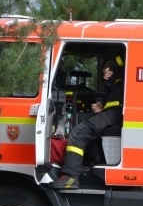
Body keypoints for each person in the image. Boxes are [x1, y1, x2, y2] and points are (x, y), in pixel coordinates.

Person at [51, 55, 124, 189]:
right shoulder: (115, 82)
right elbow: (114, 99)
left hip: (116, 114)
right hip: (112, 112)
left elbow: (118, 103)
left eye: (107, 70)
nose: (105, 73)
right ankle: (90, 160)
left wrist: (111, 66)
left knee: (78, 133)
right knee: (82, 120)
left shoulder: (122, 74)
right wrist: (101, 106)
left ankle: (71, 177)